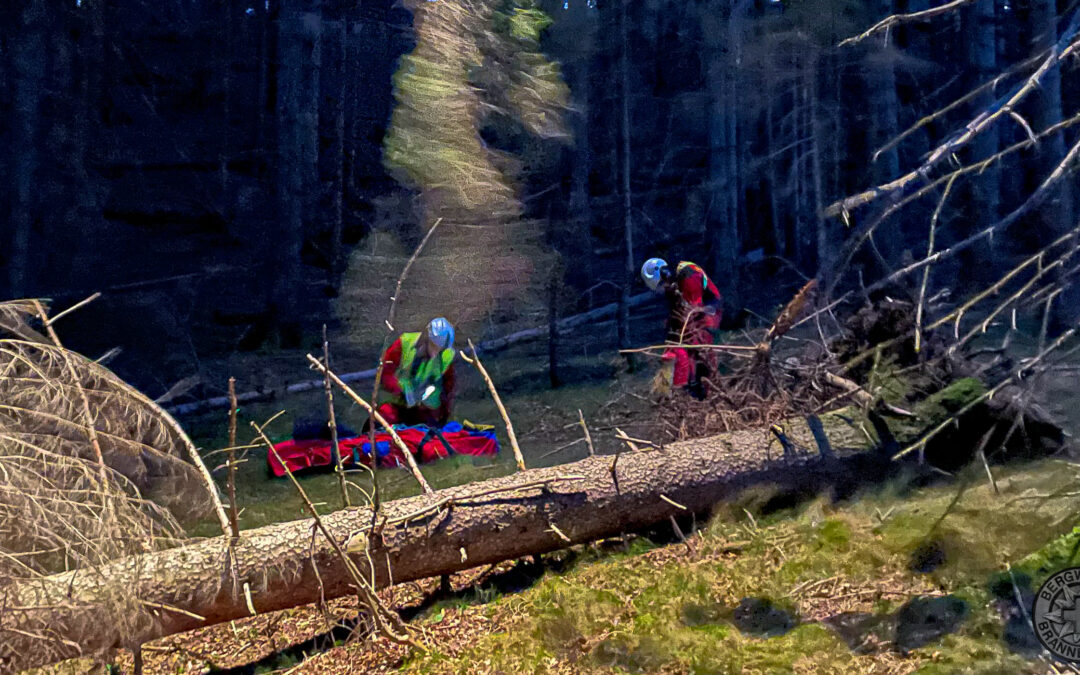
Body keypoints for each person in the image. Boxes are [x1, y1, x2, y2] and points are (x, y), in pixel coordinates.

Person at [641, 258, 722, 398]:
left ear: (665, 275)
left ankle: (702, 390)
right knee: (676, 346)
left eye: (661, 284)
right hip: (695, 313)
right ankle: (678, 389)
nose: (662, 289)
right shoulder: (675, 286)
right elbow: (677, 311)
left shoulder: (688, 276)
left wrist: (680, 330)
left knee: (696, 345)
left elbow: (693, 310)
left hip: (709, 312)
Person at [370, 317, 457, 428]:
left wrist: (442, 414)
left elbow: (448, 389)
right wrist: (401, 391)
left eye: (440, 349)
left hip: (424, 410)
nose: (435, 353)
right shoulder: (405, 343)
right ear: (426, 338)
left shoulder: (446, 356)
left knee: (427, 430)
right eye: (434, 347)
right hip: (397, 403)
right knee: (382, 420)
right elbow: (385, 371)